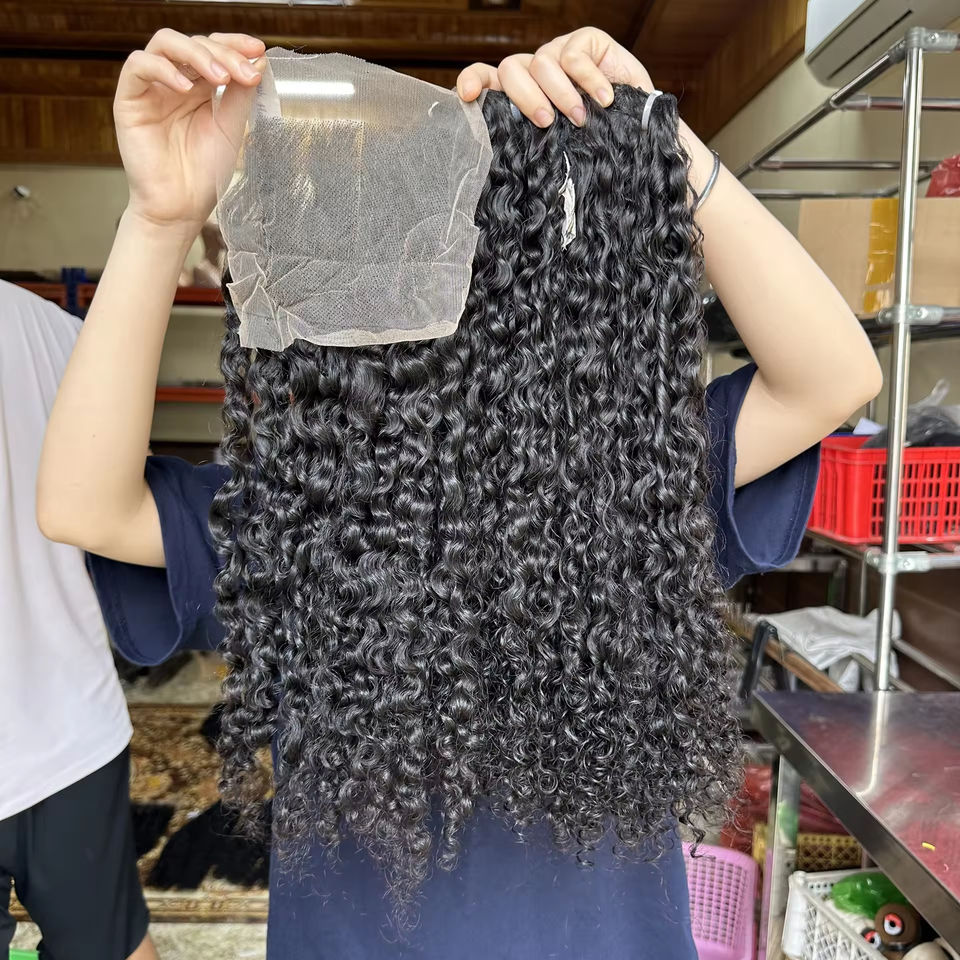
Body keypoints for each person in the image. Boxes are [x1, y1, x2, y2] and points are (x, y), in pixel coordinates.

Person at [37, 26, 882, 960]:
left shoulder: (618, 487)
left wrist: (651, 133)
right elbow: (83, 505)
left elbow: (834, 375)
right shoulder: (305, 517)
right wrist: (159, 216)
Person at [0, 281, 157, 960]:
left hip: (72, 734)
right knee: (115, 944)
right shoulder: (65, 335)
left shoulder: (66, 335)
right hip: (71, 725)